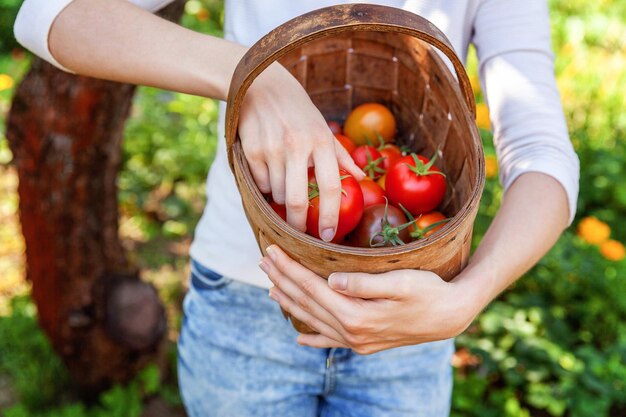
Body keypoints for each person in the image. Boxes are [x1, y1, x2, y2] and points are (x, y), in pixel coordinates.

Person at [14, 0, 579, 416]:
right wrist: (253, 74)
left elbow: (545, 156)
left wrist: (465, 299)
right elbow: (50, 16)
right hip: (244, 308)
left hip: (405, 330)